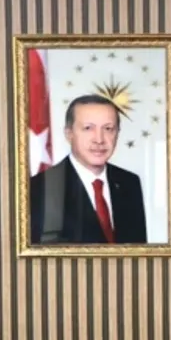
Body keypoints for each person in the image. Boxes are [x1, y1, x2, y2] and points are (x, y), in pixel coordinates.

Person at [29, 94, 149, 245]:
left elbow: (139, 250)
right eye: (88, 128)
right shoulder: (39, 188)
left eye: (108, 129)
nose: (99, 139)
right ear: (69, 134)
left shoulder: (129, 183)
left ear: (117, 133)